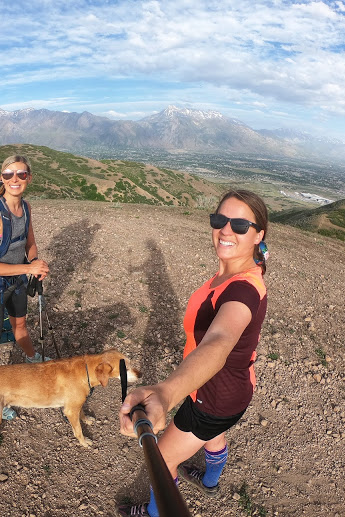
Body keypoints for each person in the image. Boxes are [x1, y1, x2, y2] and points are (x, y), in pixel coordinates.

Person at [118, 190, 269, 517]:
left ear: (259, 234)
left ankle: (154, 514)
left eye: (240, 224)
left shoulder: (242, 289)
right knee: (213, 434)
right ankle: (211, 481)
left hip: (212, 397)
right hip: (236, 390)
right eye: (220, 220)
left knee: (165, 457)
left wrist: (166, 392)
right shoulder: (234, 274)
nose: (227, 230)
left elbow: (219, 342)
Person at [0, 155, 50, 419]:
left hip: (17, 281)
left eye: (21, 174)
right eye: (8, 175)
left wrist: (35, 262)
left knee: (20, 326)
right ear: (2, 179)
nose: (14, 180)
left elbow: (30, 243)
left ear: (29, 177)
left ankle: (32, 358)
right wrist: (28, 269)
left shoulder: (26, 208)